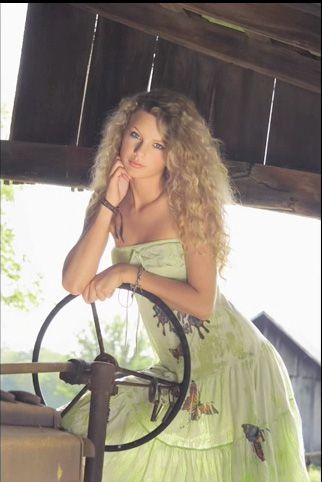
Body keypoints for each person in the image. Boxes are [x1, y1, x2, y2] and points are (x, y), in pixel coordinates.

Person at [61, 89, 309, 481]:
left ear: (173, 155)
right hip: (177, 369)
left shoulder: (189, 206)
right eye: (135, 136)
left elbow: (203, 303)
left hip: (232, 366)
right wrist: (109, 202)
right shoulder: (111, 204)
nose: (140, 152)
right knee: (85, 432)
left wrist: (129, 274)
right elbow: (75, 281)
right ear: (121, 134)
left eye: (158, 144)